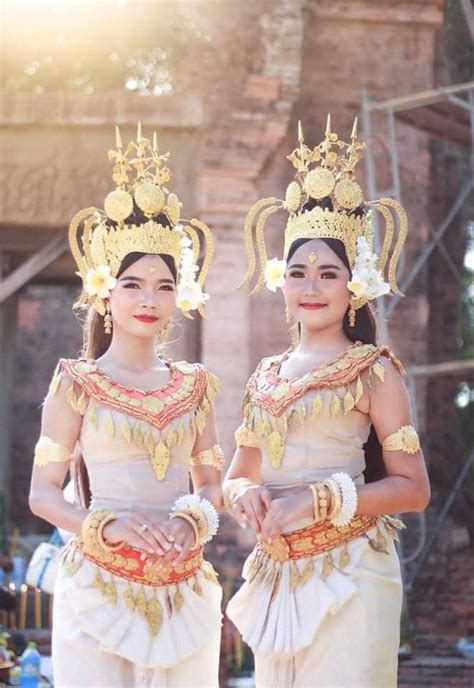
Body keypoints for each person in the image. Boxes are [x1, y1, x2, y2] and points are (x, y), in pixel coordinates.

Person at [224, 117, 430, 687]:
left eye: (327, 273)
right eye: (298, 273)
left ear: (352, 286)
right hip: (278, 572)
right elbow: (235, 475)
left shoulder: (374, 370)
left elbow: (413, 489)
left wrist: (317, 500)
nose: (311, 287)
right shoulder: (264, 376)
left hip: (352, 572)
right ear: (281, 284)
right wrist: (248, 498)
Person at [29, 125, 224, 687]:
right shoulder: (76, 383)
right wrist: (107, 526)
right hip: (97, 586)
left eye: (164, 286)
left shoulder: (196, 386)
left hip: (182, 584)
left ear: (178, 296)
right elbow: (42, 494)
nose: (148, 299)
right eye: (133, 284)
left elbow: (211, 485)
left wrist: (192, 524)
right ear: (104, 291)